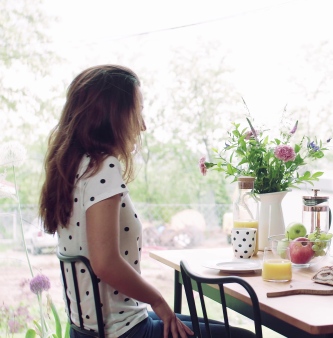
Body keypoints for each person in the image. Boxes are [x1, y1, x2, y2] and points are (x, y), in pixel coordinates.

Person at [39, 65, 255, 338]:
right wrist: (158, 300)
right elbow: (104, 262)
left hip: (90, 329)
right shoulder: (102, 168)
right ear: (112, 115)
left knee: (219, 328)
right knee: (244, 336)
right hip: (121, 332)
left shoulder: (75, 170)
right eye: (138, 112)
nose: (142, 125)